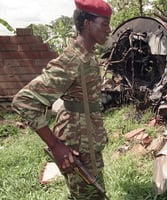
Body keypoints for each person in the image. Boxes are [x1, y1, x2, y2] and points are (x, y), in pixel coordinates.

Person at [11, 0, 112, 199]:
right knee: (88, 195)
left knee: (85, 192)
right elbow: (23, 101)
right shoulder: (72, 59)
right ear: (87, 24)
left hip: (88, 138)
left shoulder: (88, 56)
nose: (109, 30)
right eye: (105, 24)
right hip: (79, 143)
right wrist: (56, 146)